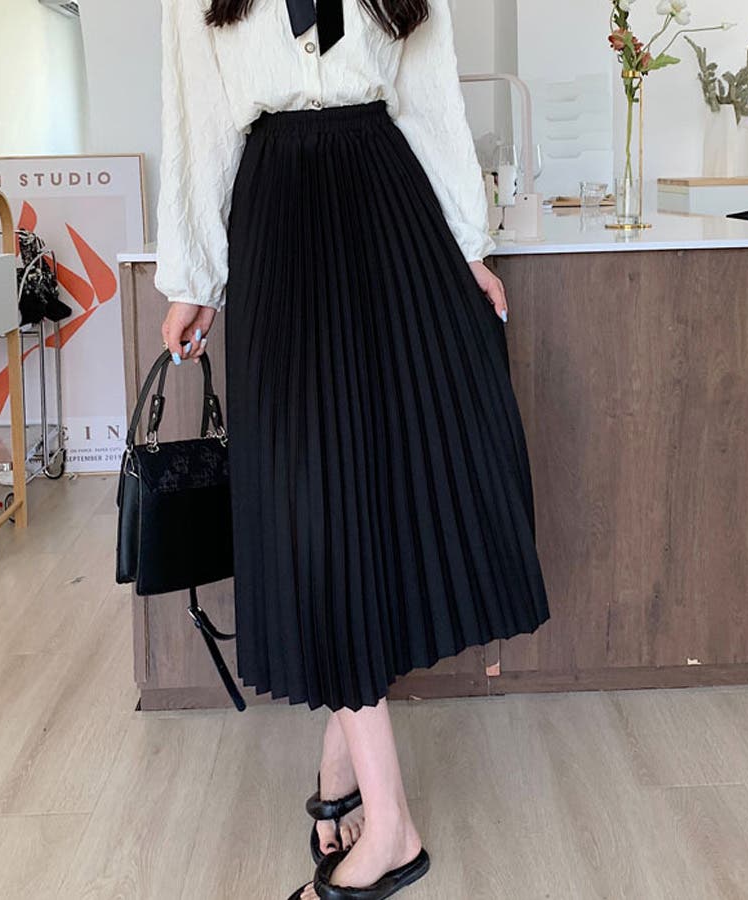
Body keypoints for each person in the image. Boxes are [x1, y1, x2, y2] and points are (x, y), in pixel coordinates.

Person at [155, 0, 551, 896]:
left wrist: (468, 245)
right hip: (279, 218)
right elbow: (197, 112)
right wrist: (194, 275)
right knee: (314, 510)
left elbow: (430, 95)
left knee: (395, 490)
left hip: (388, 205)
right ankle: (375, 807)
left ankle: (371, 804)